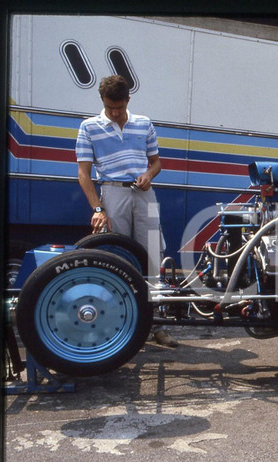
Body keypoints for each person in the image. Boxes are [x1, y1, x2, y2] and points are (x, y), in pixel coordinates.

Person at [75, 75, 177, 347]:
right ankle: (120, 326)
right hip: (112, 191)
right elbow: (84, 174)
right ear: (103, 103)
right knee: (117, 258)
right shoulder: (89, 127)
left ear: (128, 100)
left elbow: (156, 163)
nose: (114, 112)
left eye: (119, 107)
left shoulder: (144, 123)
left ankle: (157, 326)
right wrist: (97, 208)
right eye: (109, 107)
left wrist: (148, 175)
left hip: (144, 193)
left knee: (152, 256)